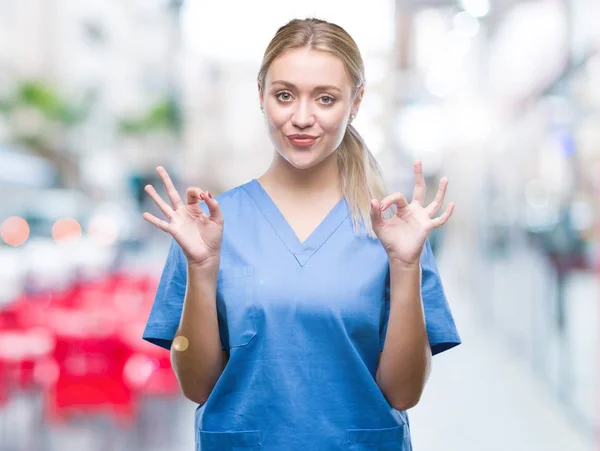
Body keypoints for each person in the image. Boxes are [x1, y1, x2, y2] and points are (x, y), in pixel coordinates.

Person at [141, 17, 460, 451]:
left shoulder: (393, 230)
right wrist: (201, 269)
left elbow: (404, 394)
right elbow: (197, 386)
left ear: (357, 101)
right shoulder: (209, 227)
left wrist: (405, 267)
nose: (302, 118)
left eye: (326, 99)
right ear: (261, 95)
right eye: (284, 95)